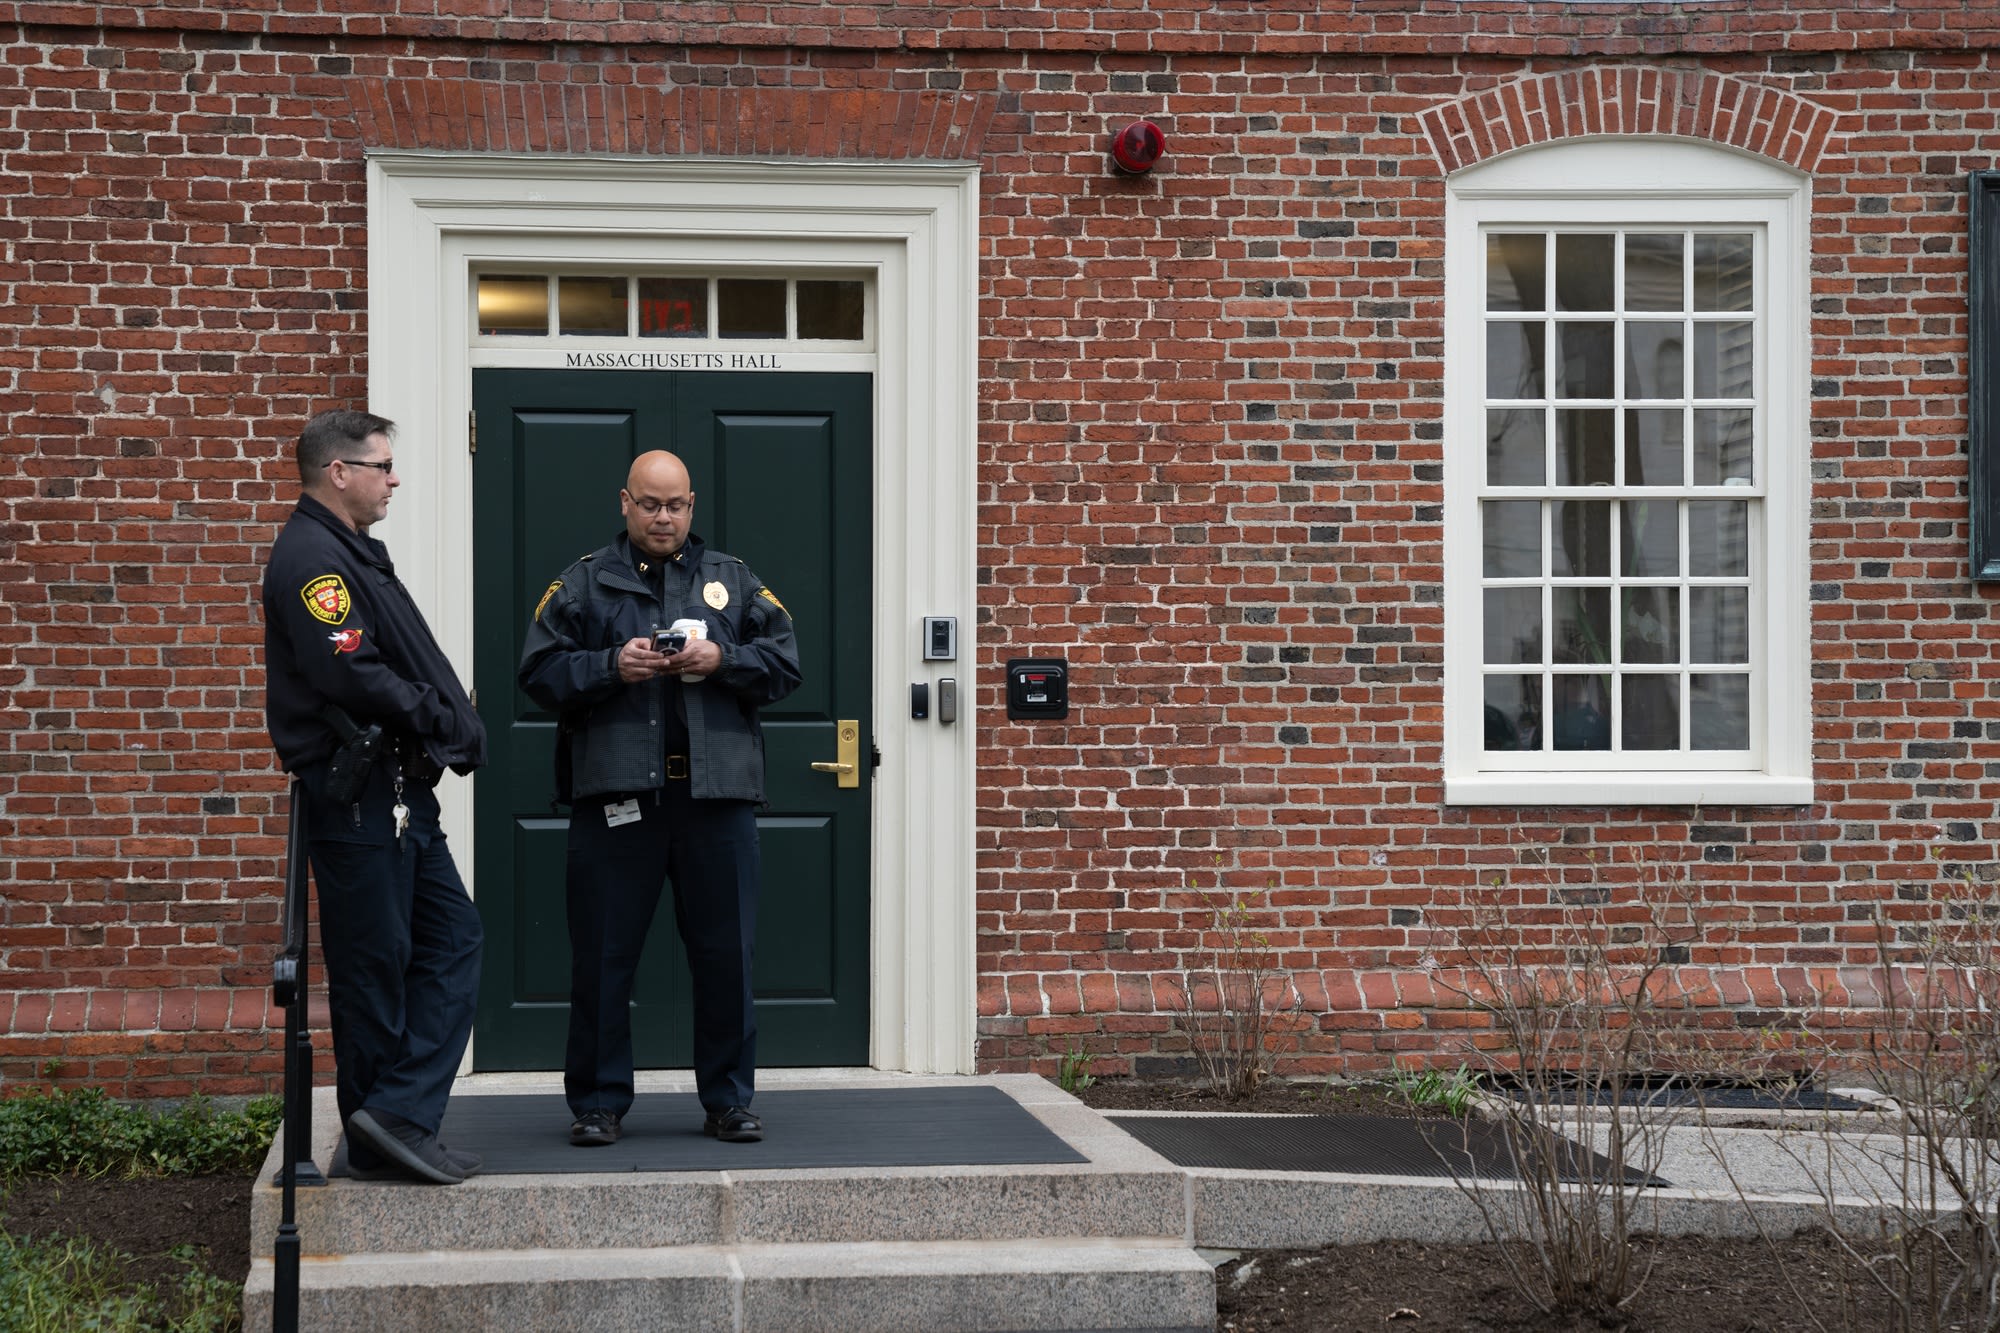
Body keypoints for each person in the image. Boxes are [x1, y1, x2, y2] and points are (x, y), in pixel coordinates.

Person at [518, 449, 800, 1147]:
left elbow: (787, 662)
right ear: (624, 502)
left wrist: (722, 659)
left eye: (675, 505)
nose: (663, 516)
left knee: (727, 956)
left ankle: (729, 1100)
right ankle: (598, 1103)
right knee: (604, 957)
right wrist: (610, 666)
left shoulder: (731, 581)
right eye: (650, 503)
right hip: (618, 799)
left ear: (692, 505)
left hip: (717, 800)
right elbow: (537, 671)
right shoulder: (584, 583)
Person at [261, 409, 486, 1185]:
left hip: (398, 796)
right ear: (339, 473)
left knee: (452, 942)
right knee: (374, 970)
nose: (394, 479)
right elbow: (349, 672)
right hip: (359, 799)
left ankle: (396, 1115)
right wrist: (433, 709)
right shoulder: (314, 561)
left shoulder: (347, 552)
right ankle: (382, 1132)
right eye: (382, 465)